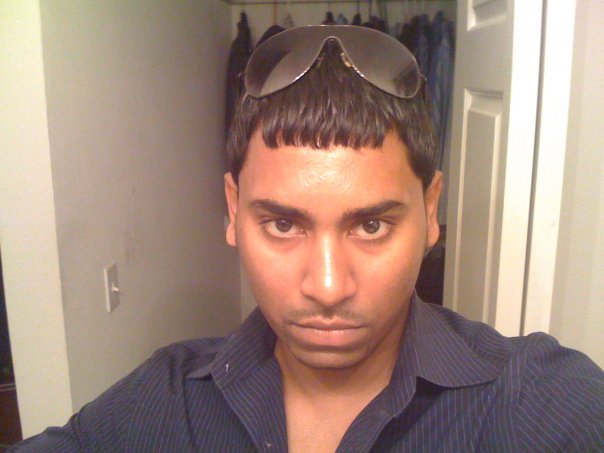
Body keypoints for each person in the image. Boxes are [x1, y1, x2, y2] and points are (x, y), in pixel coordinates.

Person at [11, 25, 604, 453]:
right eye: (283, 224)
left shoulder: (538, 401)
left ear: (430, 212)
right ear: (233, 210)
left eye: (370, 225)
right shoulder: (165, 400)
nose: (326, 286)